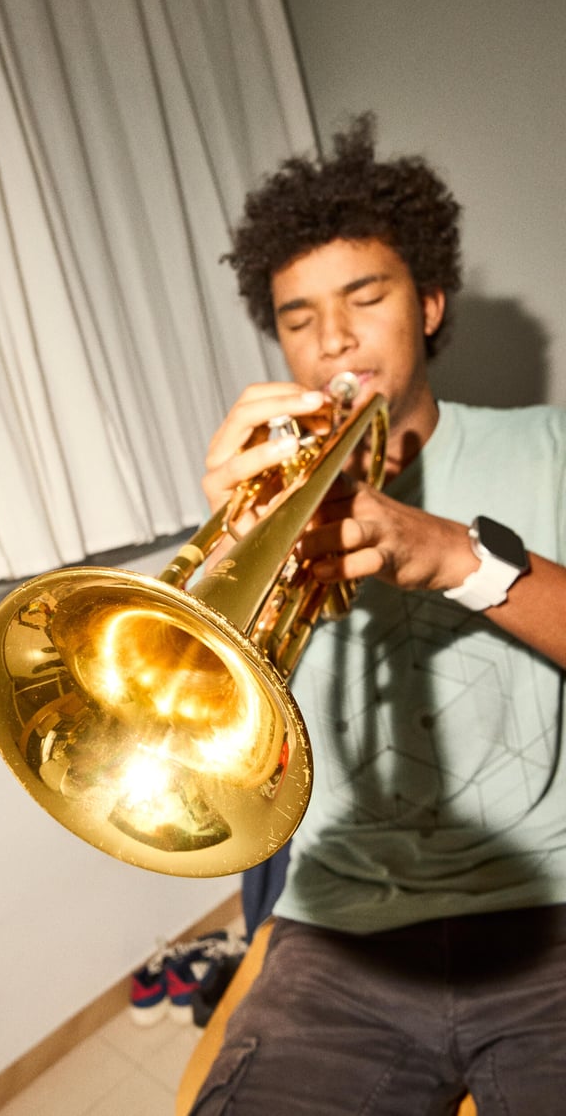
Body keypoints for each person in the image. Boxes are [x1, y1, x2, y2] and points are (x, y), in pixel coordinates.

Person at [190, 114, 566, 1115]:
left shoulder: (549, 443)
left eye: (366, 296)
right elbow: (200, 730)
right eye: (299, 315)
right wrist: (232, 542)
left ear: (430, 302)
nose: (335, 339)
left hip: (549, 907)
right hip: (341, 932)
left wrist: (449, 554)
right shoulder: (264, 497)